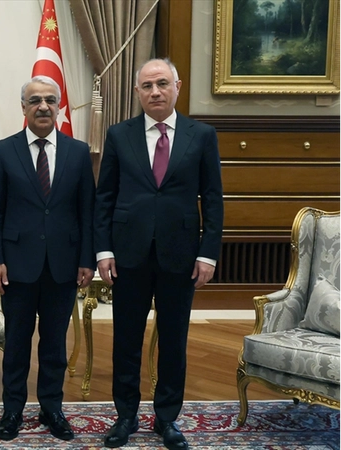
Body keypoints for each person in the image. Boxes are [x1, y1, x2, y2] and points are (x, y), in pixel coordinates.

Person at [95, 58, 223, 450]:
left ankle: (167, 418)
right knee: (126, 339)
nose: (155, 92)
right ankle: (126, 416)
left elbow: (212, 199)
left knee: (173, 340)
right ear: (137, 92)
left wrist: (208, 254)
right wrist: (103, 249)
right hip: (127, 254)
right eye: (147, 86)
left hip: (181, 255)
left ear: (177, 87)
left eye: (162, 84)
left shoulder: (202, 135)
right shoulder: (119, 135)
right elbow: (105, 197)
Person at [0, 76, 95, 441]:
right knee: (16, 344)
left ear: (59, 106)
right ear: (24, 107)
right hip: (16, 265)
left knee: (54, 345)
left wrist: (87, 259)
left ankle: (52, 408)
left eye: (50, 100)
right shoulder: (3, 151)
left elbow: (87, 211)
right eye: (35, 100)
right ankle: (12, 410)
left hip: (63, 264)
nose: (43, 106)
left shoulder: (78, 152)